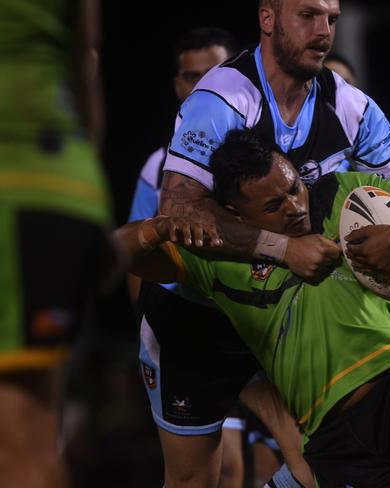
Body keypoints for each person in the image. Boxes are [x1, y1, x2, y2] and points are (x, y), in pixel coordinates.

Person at [115, 128, 390, 488]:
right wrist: (163, 224)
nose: (294, 207)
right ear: (237, 215)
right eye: (274, 206)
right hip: (327, 434)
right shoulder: (215, 256)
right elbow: (116, 254)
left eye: (293, 188)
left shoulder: (341, 194)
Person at [151, 0, 390, 485]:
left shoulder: (349, 106)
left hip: (278, 314)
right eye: (308, 15)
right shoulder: (224, 98)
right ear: (268, 17)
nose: (324, 30)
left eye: (332, 18)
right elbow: (176, 210)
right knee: (201, 478)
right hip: (199, 316)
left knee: (318, 464)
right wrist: (284, 249)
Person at [127, 26, 259, 488]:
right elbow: (138, 255)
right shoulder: (158, 167)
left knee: (295, 453)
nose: (203, 85)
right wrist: (150, 338)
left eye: (213, 73)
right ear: (177, 85)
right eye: (191, 76)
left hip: (253, 325)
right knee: (214, 472)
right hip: (186, 330)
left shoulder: (262, 163)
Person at [0, 0, 113, 486]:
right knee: (32, 427)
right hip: (61, 184)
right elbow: (85, 54)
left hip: (14, 185)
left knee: (17, 436)